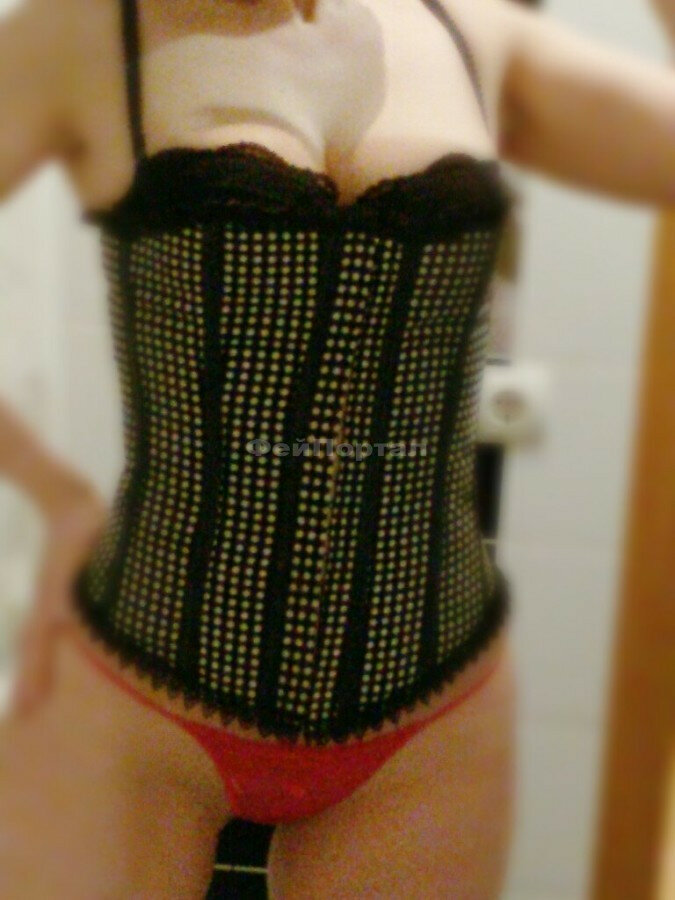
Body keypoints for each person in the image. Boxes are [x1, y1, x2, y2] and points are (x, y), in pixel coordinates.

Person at [0, 0, 673, 896]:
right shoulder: (85, 33)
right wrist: (52, 492)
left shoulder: (471, 34)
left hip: (431, 708)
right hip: (141, 693)